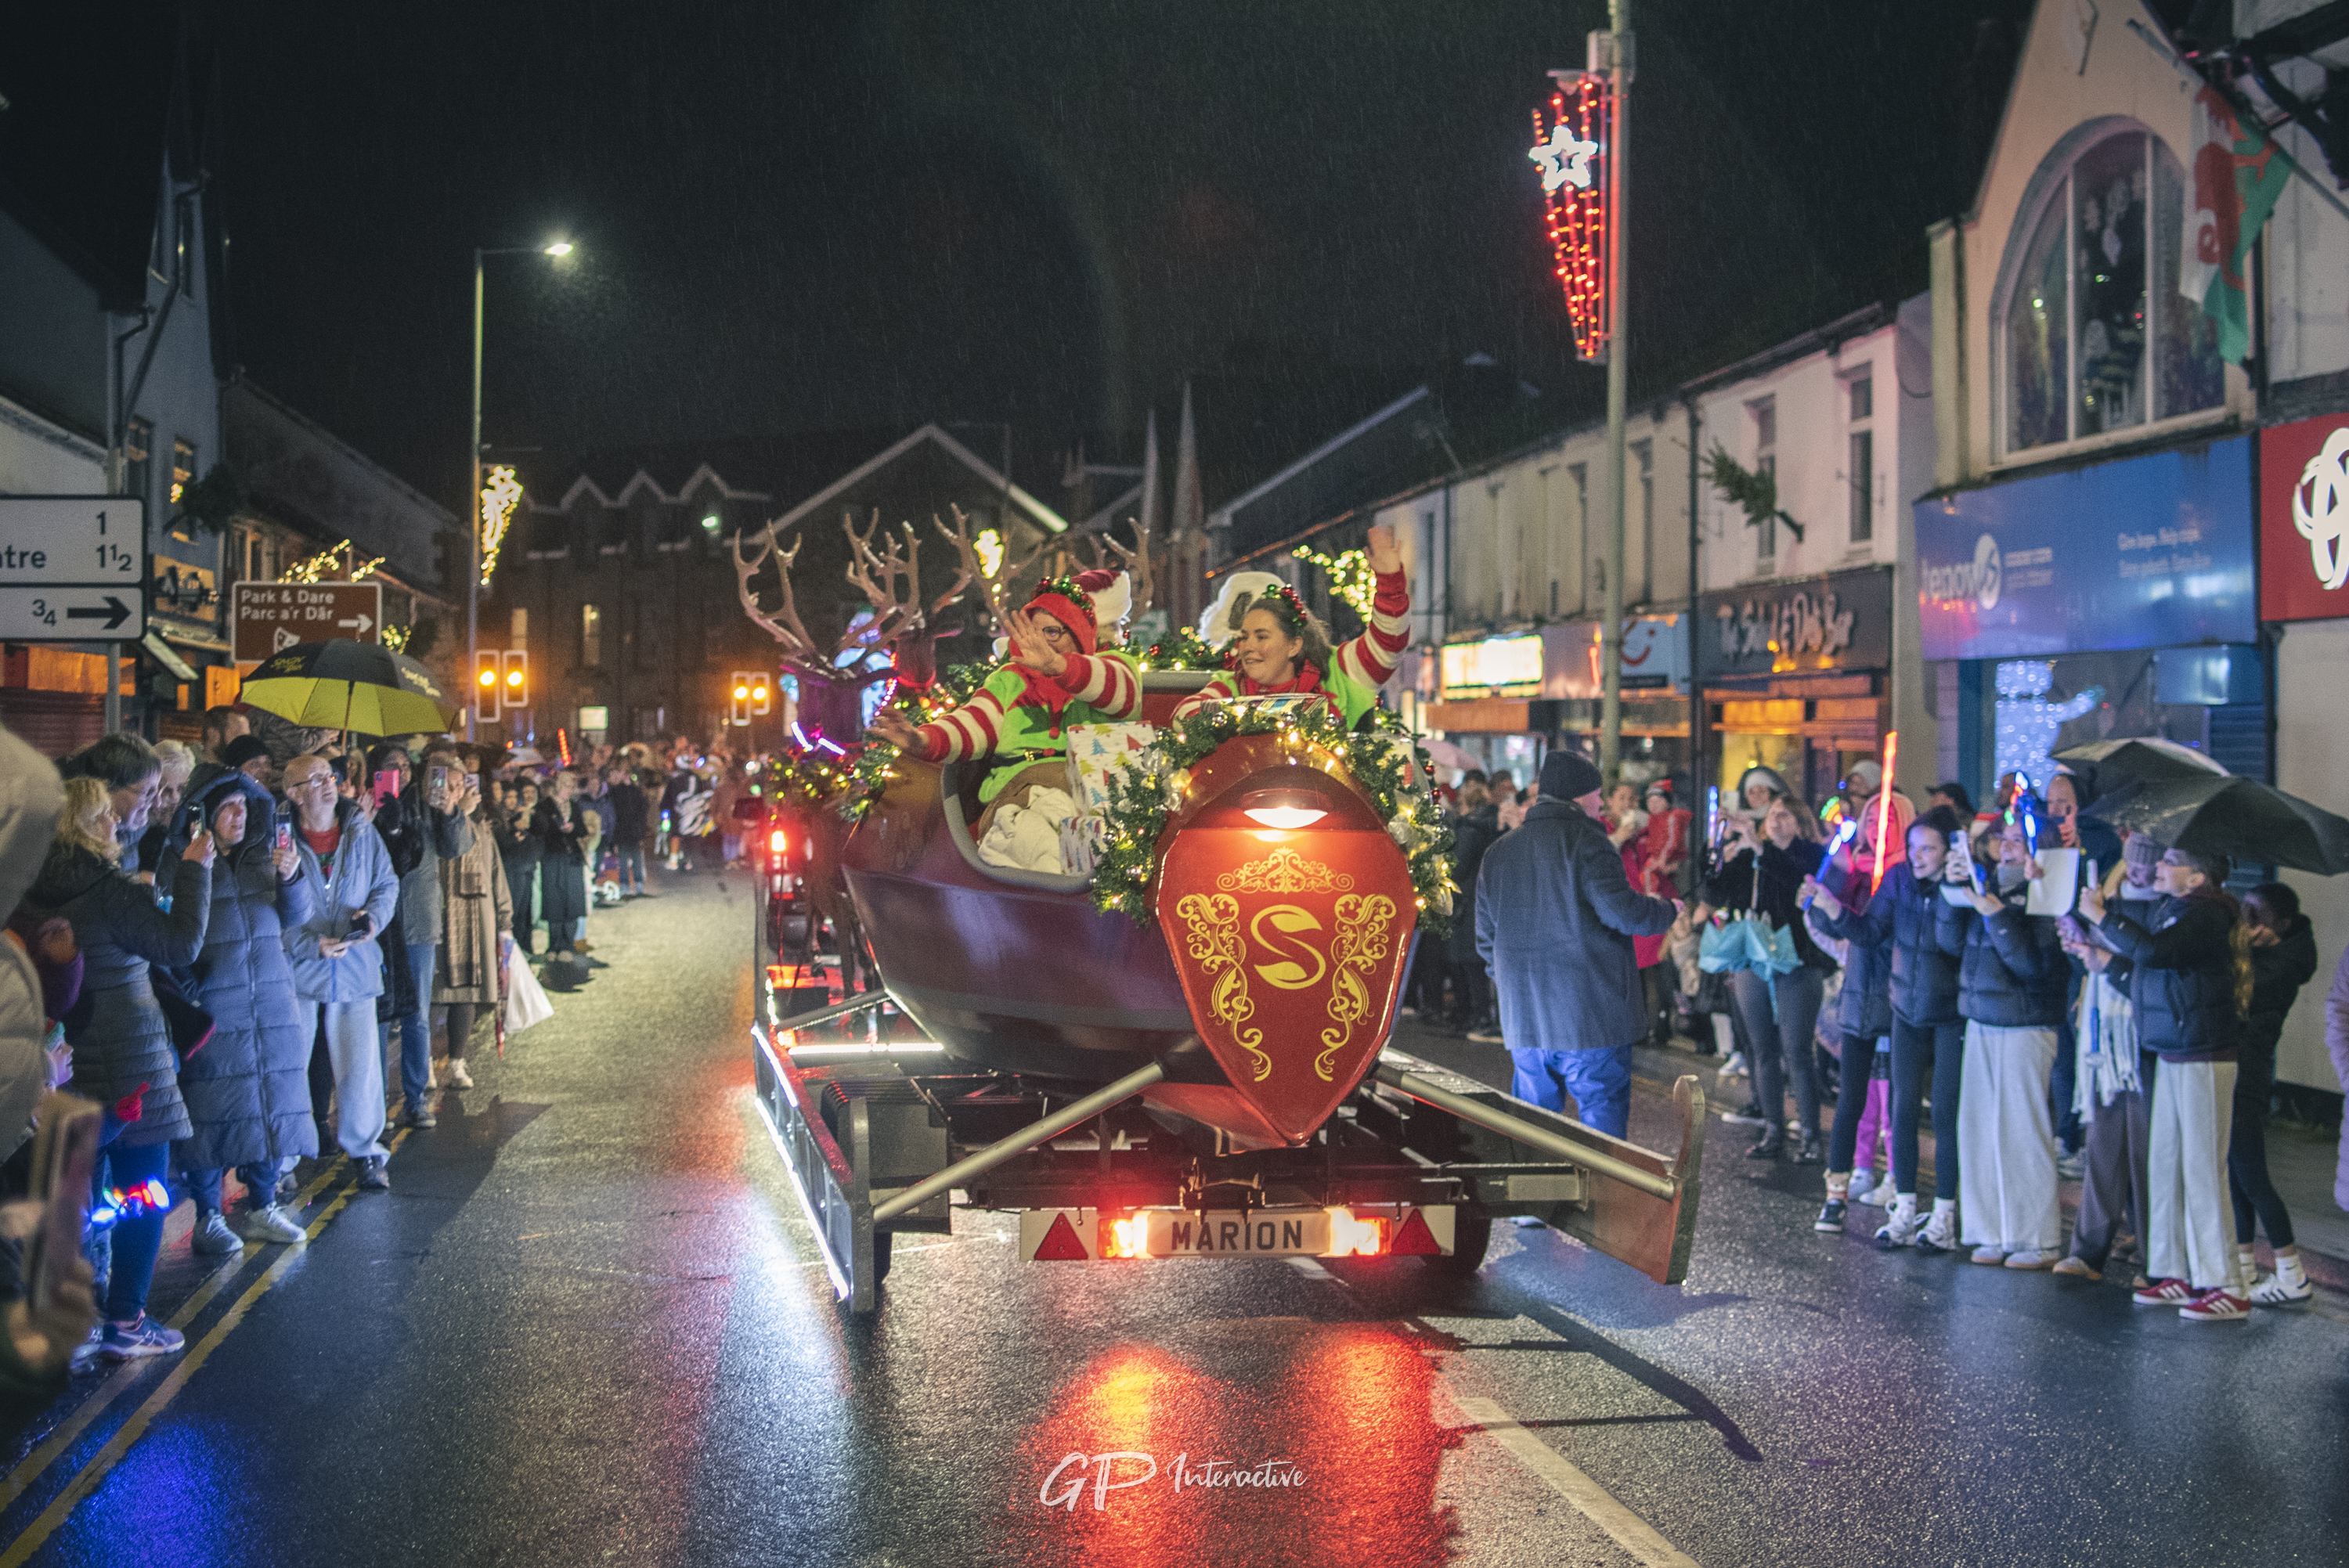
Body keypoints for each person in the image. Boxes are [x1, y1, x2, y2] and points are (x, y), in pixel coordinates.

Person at [24, 775, 213, 1361]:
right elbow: (180, 944)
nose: (116, 823)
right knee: (143, 1190)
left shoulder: (28, 888)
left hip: (63, 1055)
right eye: (106, 815)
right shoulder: (110, 890)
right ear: (87, 824)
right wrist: (195, 869)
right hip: (133, 1059)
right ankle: (127, 1319)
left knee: (71, 1194)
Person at [2078, 845, 2251, 1322]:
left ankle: (2225, 1282)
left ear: (2196, 877)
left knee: (2202, 1166)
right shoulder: (2173, 912)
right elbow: (2145, 971)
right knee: (2166, 1163)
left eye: (2170, 860)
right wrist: (2102, 958)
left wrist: (2105, 918)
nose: (2157, 866)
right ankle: (2172, 1270)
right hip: (2172, 1048)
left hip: (2204, 1050)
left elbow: (2156, 954)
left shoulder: (2208, 915)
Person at [1475, 752, 1681, 1139]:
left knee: (1531, 1130)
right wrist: (1668, 911)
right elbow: (1622, 912)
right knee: (1600, 1127)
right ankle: (1599, 1198)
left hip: (1525, 1018)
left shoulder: (1499, 851)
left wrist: (1511, 984)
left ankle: (1533, 1197)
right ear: (1577, 797)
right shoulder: (1588, 841)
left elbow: (1487, 939)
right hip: (1590, 1015)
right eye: (1595, 794)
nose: (1600, 803)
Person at [1804, 807, 1968, 1251]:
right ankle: (1906, 1210)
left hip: (1950, 1009)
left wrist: (1953, 887)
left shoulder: (1960, 883)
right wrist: (1832, 907)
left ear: (1949, 849)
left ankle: (1946, 1217)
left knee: (1946, 1116)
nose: (1917, 856)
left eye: (1928, 848)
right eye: (1913, 847)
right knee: (1903, 1110)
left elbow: (1953, 943)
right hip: (1905, 1007)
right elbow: (1871, 930)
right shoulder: (1897, 880)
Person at [170, 770, 315, 1252]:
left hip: (272, 1004)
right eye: (228, 806)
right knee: (212, 1113)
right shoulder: (183, 860)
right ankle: (209, 1217)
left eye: (245, 806)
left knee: (270, 1108)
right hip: (217, 1009)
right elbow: (172, 932)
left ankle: (263, 1206)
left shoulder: (264, 856)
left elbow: (296, 917)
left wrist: (292, 876)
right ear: (206, 813)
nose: (240, 814)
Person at [876, 571, 1145, 811]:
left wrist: (1058, 666)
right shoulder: (1010, 681)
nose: (1039, 643)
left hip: (1092, 802)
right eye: (1032, 632)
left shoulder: (1112, 668)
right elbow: (972, 725)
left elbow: (1121, 692)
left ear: (1079, 632)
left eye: (1052, 632)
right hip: (1019, 798)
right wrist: (921, 740)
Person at [1947, 814, 2068, 1268]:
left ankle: (2035, 1237)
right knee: (1979, 1129)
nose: (2010, 849)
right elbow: (1950, 942)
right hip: (1981, 1017)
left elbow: (2036, 967)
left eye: (2021, 842)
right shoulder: (1992, 884)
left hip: (2026, 1022)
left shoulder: (2050, 893)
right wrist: (1954, 891)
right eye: (2006, 840)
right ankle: (1990, 1229)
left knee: (2022, 1130)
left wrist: (1997, 916)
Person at [280, 753, 400, 1194]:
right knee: (289, 1066)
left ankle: (367, 1152)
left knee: (361, 1067)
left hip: (354, 966)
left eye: (329, 775)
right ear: (293, 793)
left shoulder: (362, 832)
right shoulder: (281, 841)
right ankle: (283, 1160)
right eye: (314, 779)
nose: (328, 784)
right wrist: (307, 944)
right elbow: (268, 906)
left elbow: (387, 884)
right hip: (299, 969)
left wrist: (372, 920)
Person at [1692, 795, 1830, 1162]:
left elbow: (1793, 881)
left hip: (1798, 959)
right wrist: (1716, 854)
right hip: (1752, 957)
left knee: (1797, 1049)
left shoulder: (1812, 855)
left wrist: (1757, 846)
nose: (1776, 822)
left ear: (1800, 821)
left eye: (1785, 815)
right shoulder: (1751, 855)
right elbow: (1714, 893)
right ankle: (1773, 1129)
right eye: (1772, 816)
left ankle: (1811, 1135)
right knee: (1760, 1046)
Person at [1171, 524, 1409, 730]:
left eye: (1261, 636)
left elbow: (1388, 645)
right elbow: (1184, 714)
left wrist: (1391, 583)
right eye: (1244, 637)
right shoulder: (1232, 683)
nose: (1247, 646)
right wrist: (1255, 718)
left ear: (1294, 644)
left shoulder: (1340, 668)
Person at [2053, 838, 2161, 1283]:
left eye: (2148, 863)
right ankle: (2088, 1249)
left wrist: (2102, 958)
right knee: (2103, 1146)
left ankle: (2158, 1257)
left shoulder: (2166, 911)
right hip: (2104, 1040)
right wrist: (2081, 945)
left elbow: (2149, 970)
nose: (2137, 870)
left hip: (2143, 1041)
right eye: (2132, 861)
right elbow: (2098, 960)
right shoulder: (2110, 900)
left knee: (2145, 1152)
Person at [2226, 883, 2319, 1304]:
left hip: (2250, 1070)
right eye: (2243, 911)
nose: (2248, 923)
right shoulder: (2271, 950)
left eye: (2257, 916)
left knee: (2251, 1172)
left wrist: (2238, 946)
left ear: (2282, 924)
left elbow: (2242, 994)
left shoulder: (2286, 962)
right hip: (2236, 1063)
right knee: (2235, 1170)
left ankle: (2291, 1271)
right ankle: (2243, 1264)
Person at [1809, 820, 1896, 1227]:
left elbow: (1873, 932)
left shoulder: (1907, 877)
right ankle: (1837, 1190)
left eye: (1890, 820)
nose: (1880, 830)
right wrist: (1839, 870)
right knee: (1851, 1102)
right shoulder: (1857, 872)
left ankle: (1899, 1183)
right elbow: (1822, 919)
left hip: (1900, 998)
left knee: (1899, 1101)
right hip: (1861, 996)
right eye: (1875, 821)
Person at [433, 759, 511, 1092]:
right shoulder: (432, 820)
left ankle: (456, 1061)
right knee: (434, 994)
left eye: (462, 784)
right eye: (450, 785)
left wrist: (505, 922)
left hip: (475, 915)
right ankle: (425, 1064)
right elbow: (444, 846)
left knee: (467, 994)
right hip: (440, 913)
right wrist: (459, 813)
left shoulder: (481, 826)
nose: (458, 791)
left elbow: (495, 873)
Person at [1634, 780, 1692, 1047]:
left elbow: (1669, 853)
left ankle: (1663, 1026)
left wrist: (1661, 866)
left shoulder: (1669, 823)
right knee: (1652, 971)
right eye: (1650, 799)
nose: (1654, 803)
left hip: (1661, 905)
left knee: (1662, 970)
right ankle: (1653, 1026)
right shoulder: (1644, 829)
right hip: (1648, 906)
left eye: (1660, 799)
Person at [1445, 779, 1500, 1039]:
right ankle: (1478, 1014)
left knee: (1469, 963)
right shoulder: (1489, 827)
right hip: (1480, 899)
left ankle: (1476, 1015)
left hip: (1467, 901)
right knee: (1475, 962)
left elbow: (1458, 867)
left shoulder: (1468, 830)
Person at [534, 771, 593, 970]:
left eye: (572, 786)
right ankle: (554, 945)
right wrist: (555, 828)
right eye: (567, 786)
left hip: (572, 859)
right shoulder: (545, 806)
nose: (570, 790)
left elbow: (583, 831)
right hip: (552, 857)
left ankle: (568, 945)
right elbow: (539, 830)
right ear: (559, 785)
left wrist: (574, 827)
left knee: (572, 900)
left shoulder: (574, 806)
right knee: (554, 900)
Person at [497, 779, 544, 952]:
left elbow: (537, 831)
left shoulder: (519, 813)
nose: (512, 800)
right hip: (511, 869)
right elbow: (503, 842)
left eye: (514, 797)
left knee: (525, 910)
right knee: (514, 911)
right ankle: (514, 951)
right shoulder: (503, 817)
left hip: (525, 866)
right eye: (508, 797)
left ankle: (525, 946)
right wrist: (513, 838)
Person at [607, 764, 650, 897]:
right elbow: (614, 814)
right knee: (624, 859)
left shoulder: (635, 791)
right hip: (623, 830)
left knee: (636, 859)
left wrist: (642, 832)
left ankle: (638, 885)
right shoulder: (616, 791)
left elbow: (642, 812)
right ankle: (626, 885)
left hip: (633, 830)